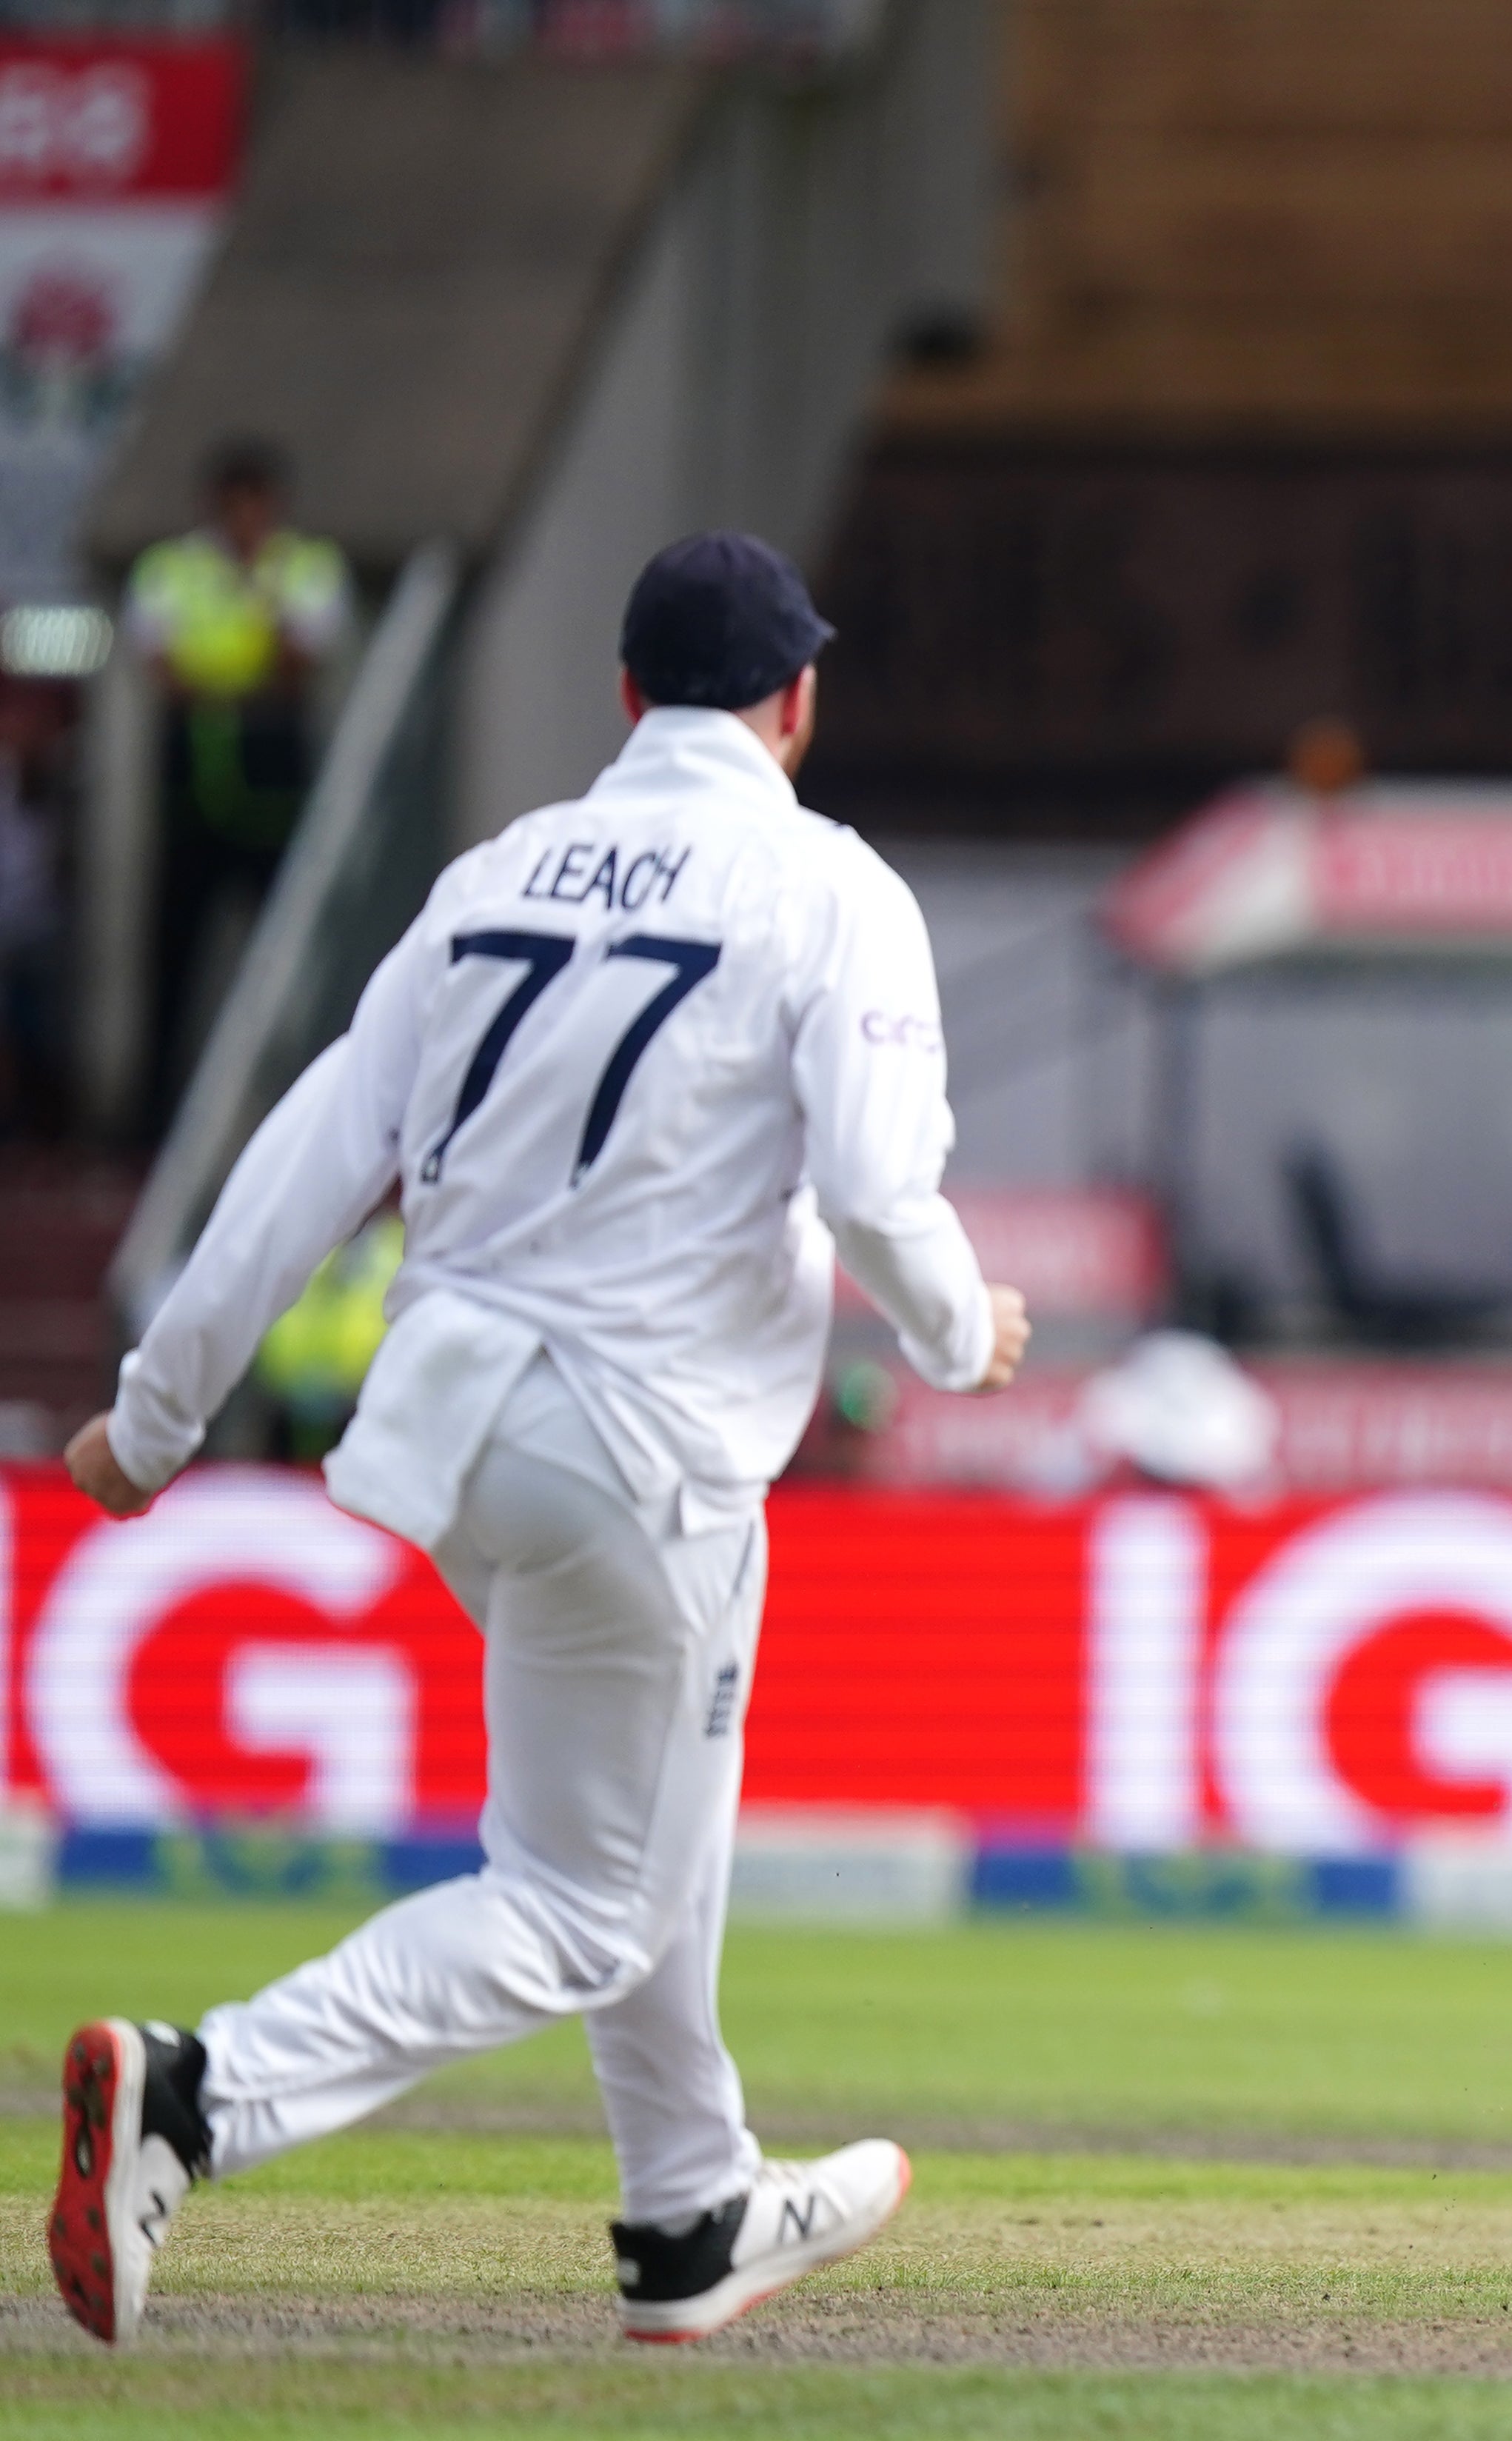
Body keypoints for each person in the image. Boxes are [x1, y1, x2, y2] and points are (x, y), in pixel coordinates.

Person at [47, 532, 1029, 2346]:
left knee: (640, 1817)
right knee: (583, 1896)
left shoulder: (497, 870)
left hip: (450, 1425)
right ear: (798, 700)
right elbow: (883, 1185)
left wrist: (158, 1411)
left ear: (629, 695)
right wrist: (967, 1334)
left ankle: (687, 2209)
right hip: (639, 1439)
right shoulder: (830, 885)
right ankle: (196, 2092)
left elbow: (313, 1150)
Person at [125, 437, 352, 1107]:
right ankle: (154, 1111)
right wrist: (243, 669)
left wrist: (249, 615)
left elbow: (299, 665)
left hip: (272, 784)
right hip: (195, 783)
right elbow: (164, 670)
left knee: (288, 948)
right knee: (175, 954)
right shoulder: (172, 567)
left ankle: (301, 1094)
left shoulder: (306, 566)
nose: (245, 521)